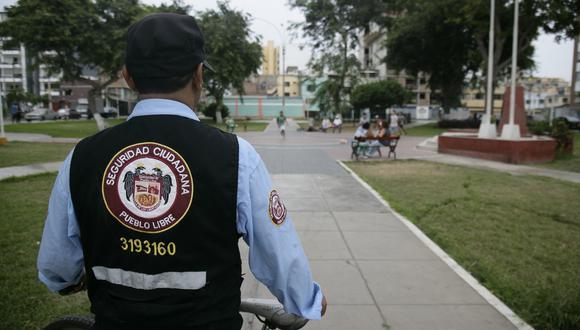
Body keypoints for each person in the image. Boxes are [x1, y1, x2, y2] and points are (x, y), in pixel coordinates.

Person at [37, 13, 326, 330]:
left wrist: (66, 280)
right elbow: (278, 252)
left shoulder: (82, 157)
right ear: (199, 75)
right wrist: (306, 298)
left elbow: (56, 267)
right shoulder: (237, 156)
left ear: (128, 77)